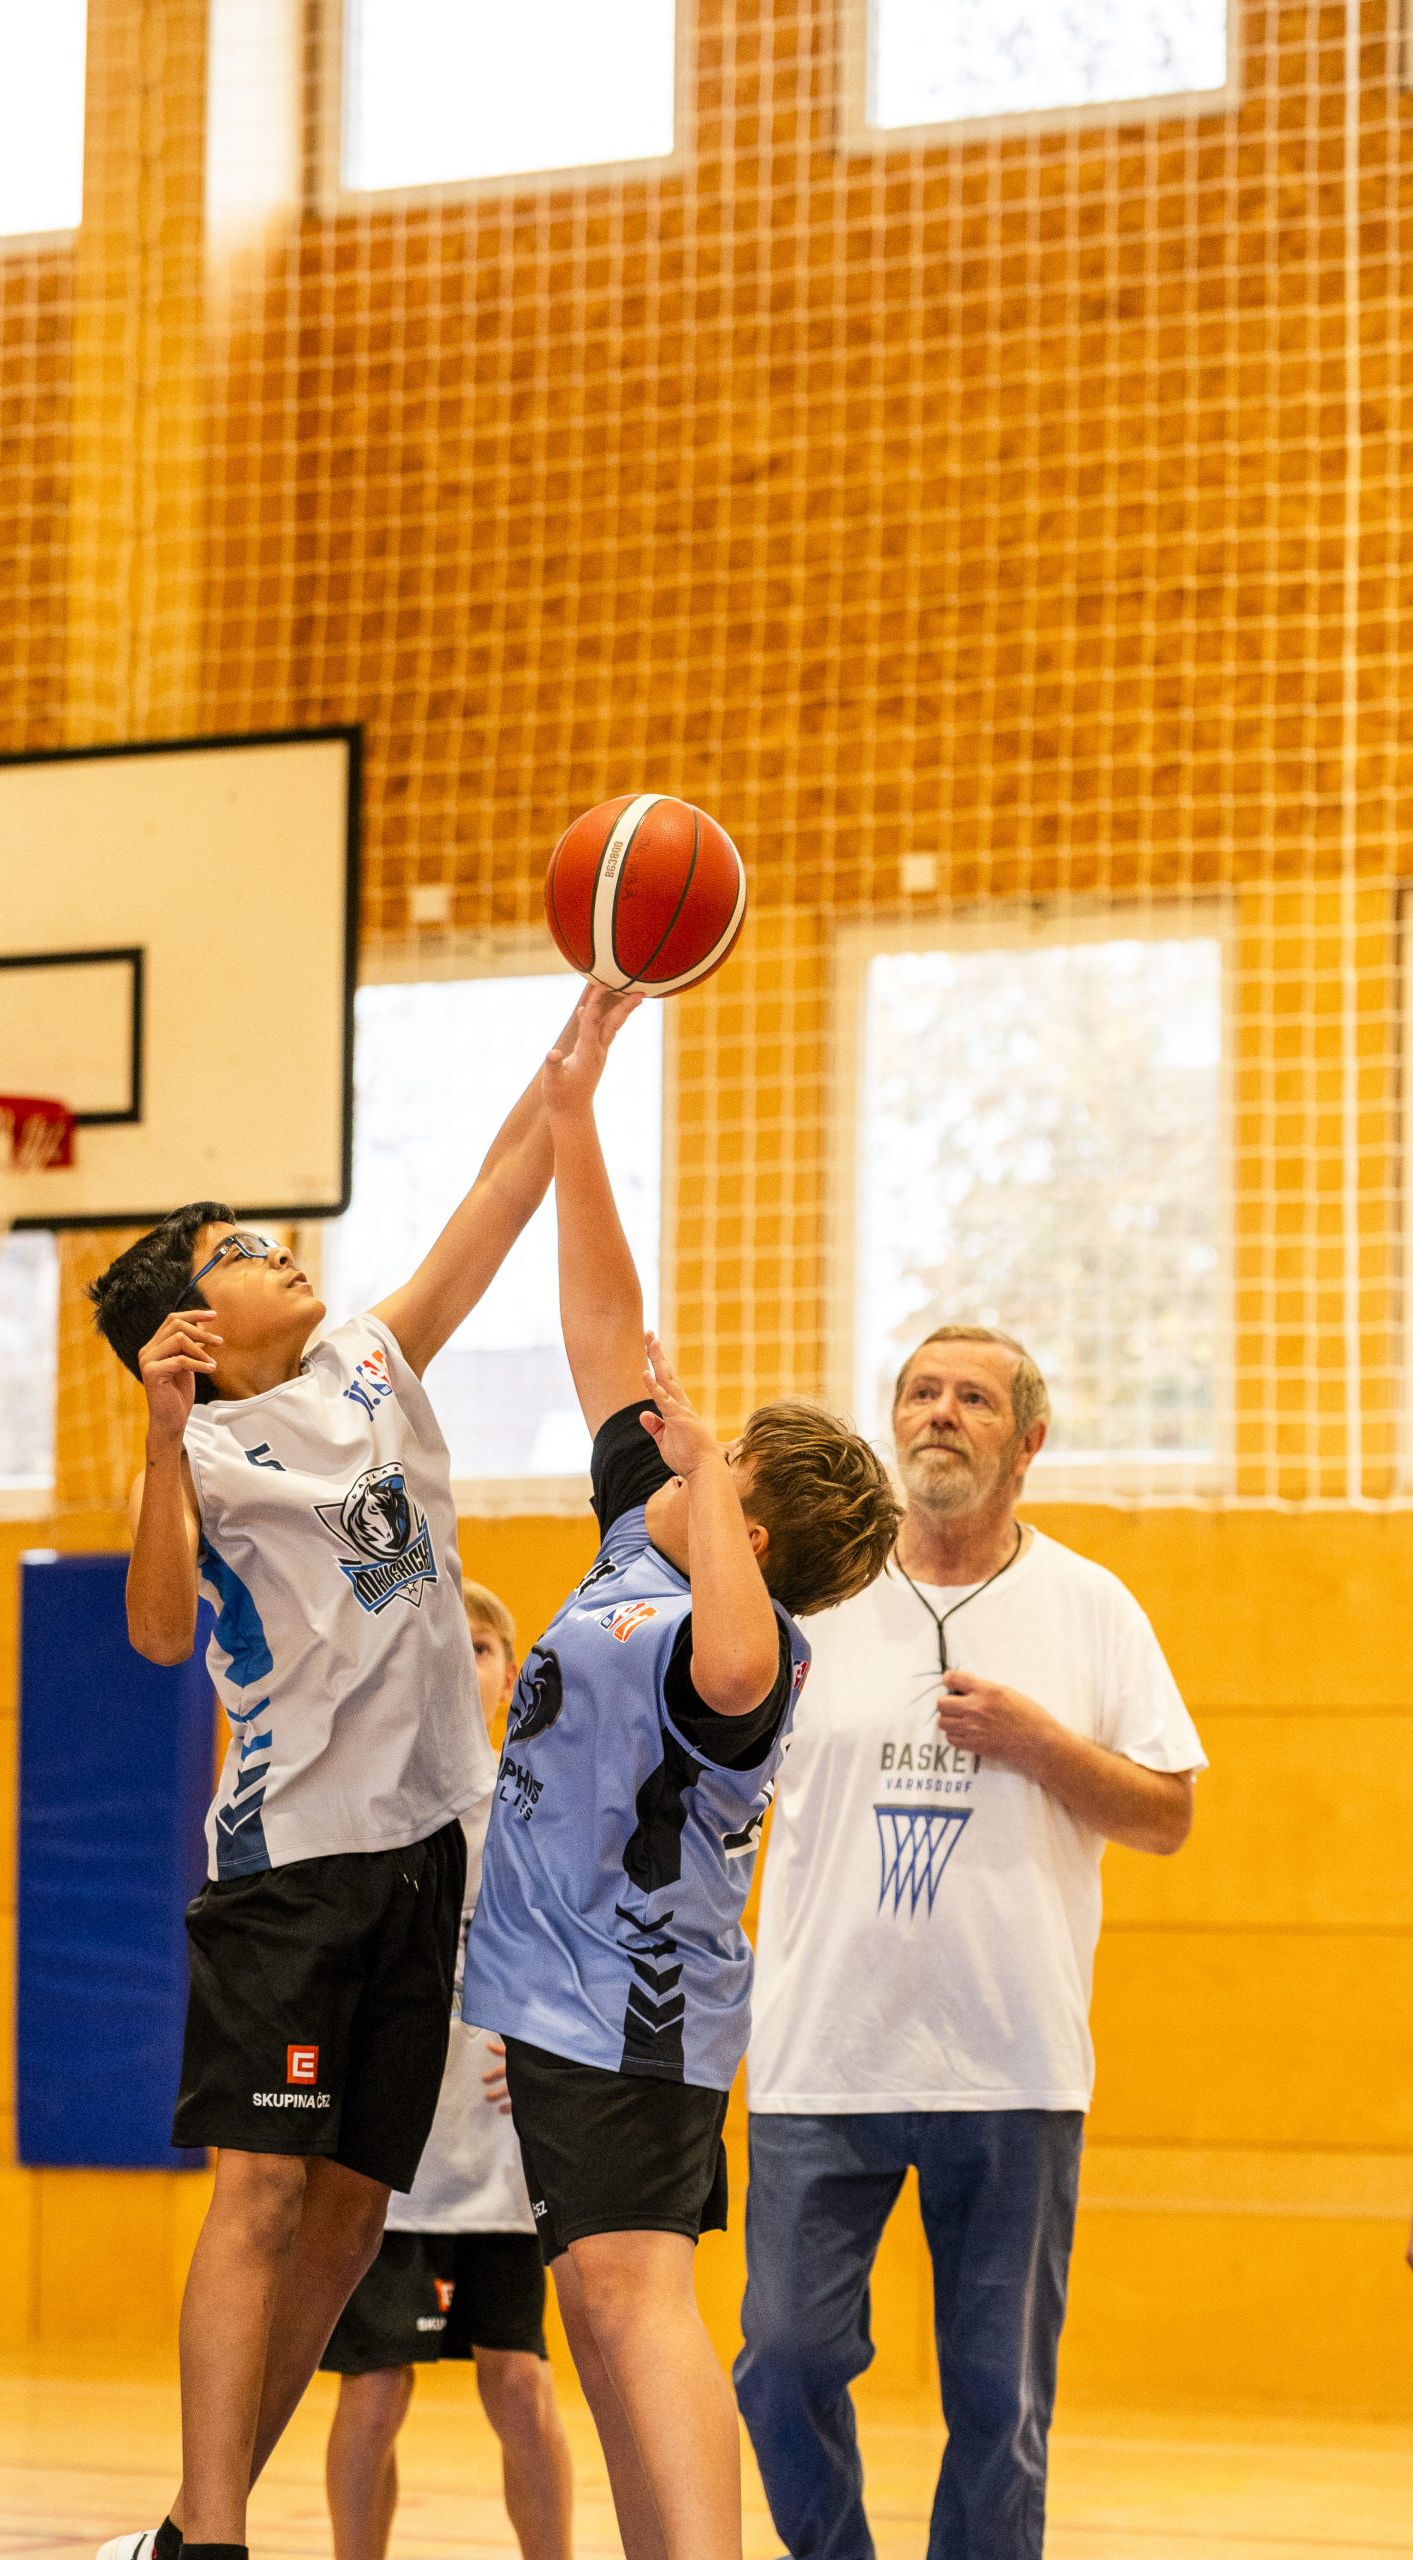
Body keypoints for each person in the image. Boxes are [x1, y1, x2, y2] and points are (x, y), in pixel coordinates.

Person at [88, 996, 590, 2560]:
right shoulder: (197, 1454)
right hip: (294, 1863)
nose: (279, 1251)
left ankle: (191, 2522)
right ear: (188, 1329)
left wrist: (584, 1035)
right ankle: (217, 2540)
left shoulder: (369, 1358)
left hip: (426, 1850)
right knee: (259, 2194)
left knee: (355, 2211)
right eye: (240, 1250)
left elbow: (499, 1190)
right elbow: (155, 1632)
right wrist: (157, 1441)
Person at [463, 986, 903, 2560]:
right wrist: (575, 1119)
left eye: (709, 1468)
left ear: (748, 1527)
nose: (663, 1455)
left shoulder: (747, 1645)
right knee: (597, 2307)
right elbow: (603, 1329)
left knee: (635, 2296)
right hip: (557, 1994)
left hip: (635, 2003)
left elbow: (724, 1672)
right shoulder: (631, 1553)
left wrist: (709, 1476)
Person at [735, 1325, 1207, 2560]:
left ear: (1027, 1439)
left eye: (974, 1399)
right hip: (819, 2061)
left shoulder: (1091, 1606)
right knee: (780, 2360)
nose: (939, 1412)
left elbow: (1165, 1814)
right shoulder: (809, 1598)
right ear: (893, 1420)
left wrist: (1040, 1744)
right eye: (920, 1392)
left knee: (998, 2409)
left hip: (1010, 2067)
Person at [320, 1579, 572, 2560]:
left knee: (519, 2380)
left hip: (502, 2151)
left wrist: (544, 2034)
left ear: (510, 1677)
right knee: (376, 2385)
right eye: (444, 1643)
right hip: (392, 2151)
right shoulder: (372, 1804)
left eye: (480, 1645)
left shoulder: (541, 1806)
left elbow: (587, 1952)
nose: (462, 1661)